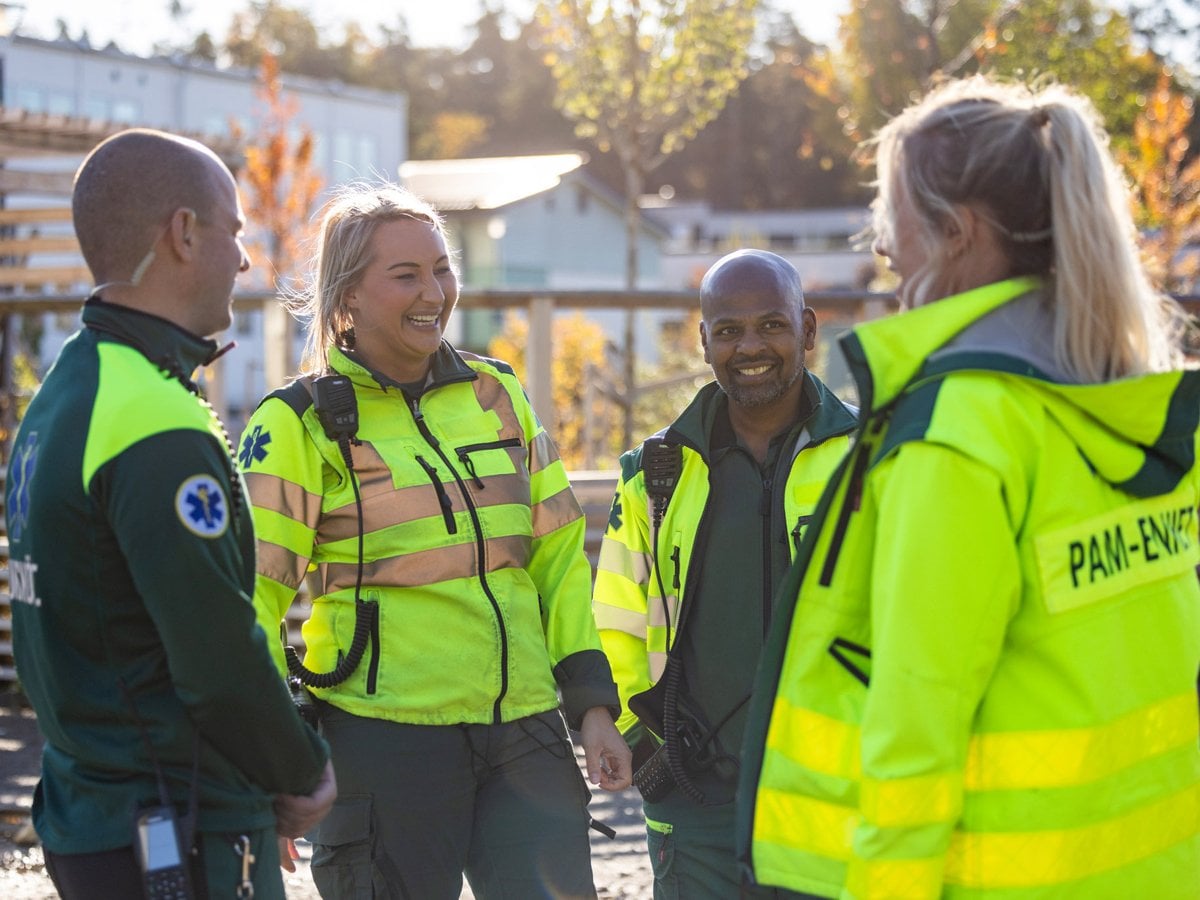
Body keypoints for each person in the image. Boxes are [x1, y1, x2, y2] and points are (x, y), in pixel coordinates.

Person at [736, 74, 1200, 899]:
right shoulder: (1125, 408)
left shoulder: (958, 430)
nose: (882, 247)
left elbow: (916, 729)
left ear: (958, 234)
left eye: (893, 218)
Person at [236, 182, 633, 899]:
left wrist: (592, 707)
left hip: (525, 734)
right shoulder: (295, 423)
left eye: (442, 268)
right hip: (383, 745)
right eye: (406, 274)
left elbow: (558, 561)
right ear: (347, 295)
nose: (434, 291)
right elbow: (249, 604)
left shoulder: (498, 394)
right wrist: (274, 763)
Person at [5, 128, 336, 899]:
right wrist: (300, 769)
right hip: (178, 822)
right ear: (184, 233)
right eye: (235, 232)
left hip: (89, 812)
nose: (246, 259)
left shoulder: (65, 395)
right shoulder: (154, 420)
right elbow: (215, 651)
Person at [591, 248, 857, 898]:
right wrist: (642, 740)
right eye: (730, 330)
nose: (751, 346)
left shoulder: (870, 464)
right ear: (704, 340)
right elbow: (617, 624)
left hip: (830, 801)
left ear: (810, 331)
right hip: (695, 803)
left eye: (772, 324)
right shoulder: (653, 476)